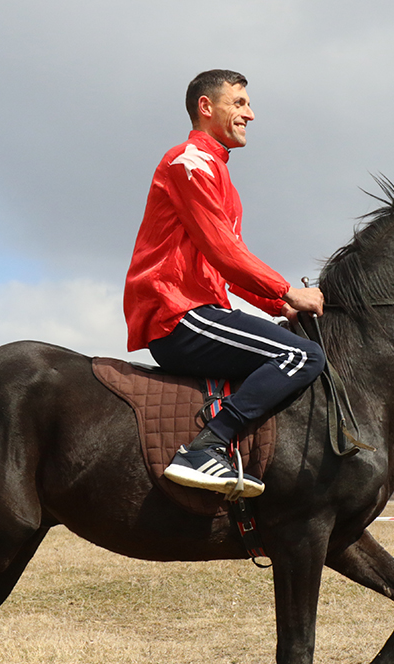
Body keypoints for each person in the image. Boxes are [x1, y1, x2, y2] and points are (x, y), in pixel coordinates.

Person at [124, 69, 325, 498]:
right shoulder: (188, 162)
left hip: (203, 307)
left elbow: (224, 265)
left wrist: (278, 306)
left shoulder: (220, 175)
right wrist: (287, 290)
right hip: (176, 311)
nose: (250, 114)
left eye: (248, 105)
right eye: (239, 103)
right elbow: (224, 252)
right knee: (301, 356)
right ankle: (205, 448)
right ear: (206, 107)